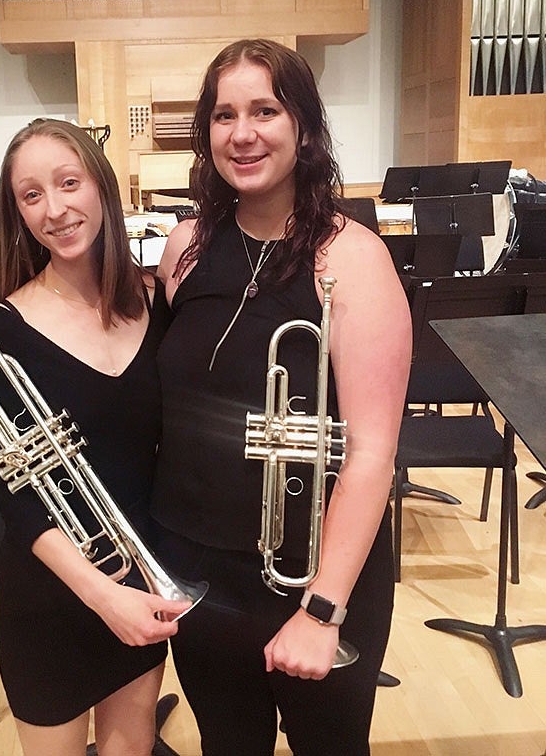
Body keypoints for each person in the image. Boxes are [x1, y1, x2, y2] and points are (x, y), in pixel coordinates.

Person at [150, 39, 412, 756]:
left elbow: (371, 453)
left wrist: (322, 610)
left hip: (312, 574)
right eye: (224, 114)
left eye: (265, 109)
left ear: (303, 124)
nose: (243, 132)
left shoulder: (351, 257)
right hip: (199, 574)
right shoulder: (185, 249)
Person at [0, 118, 188, 756]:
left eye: (69, 183)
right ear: (16, 212)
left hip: (144, 581)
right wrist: (102, 596)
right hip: (54, 598)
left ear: (101, 187)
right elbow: (16, 495)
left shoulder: (154, 305)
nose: (55, 209)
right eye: (31, 195)